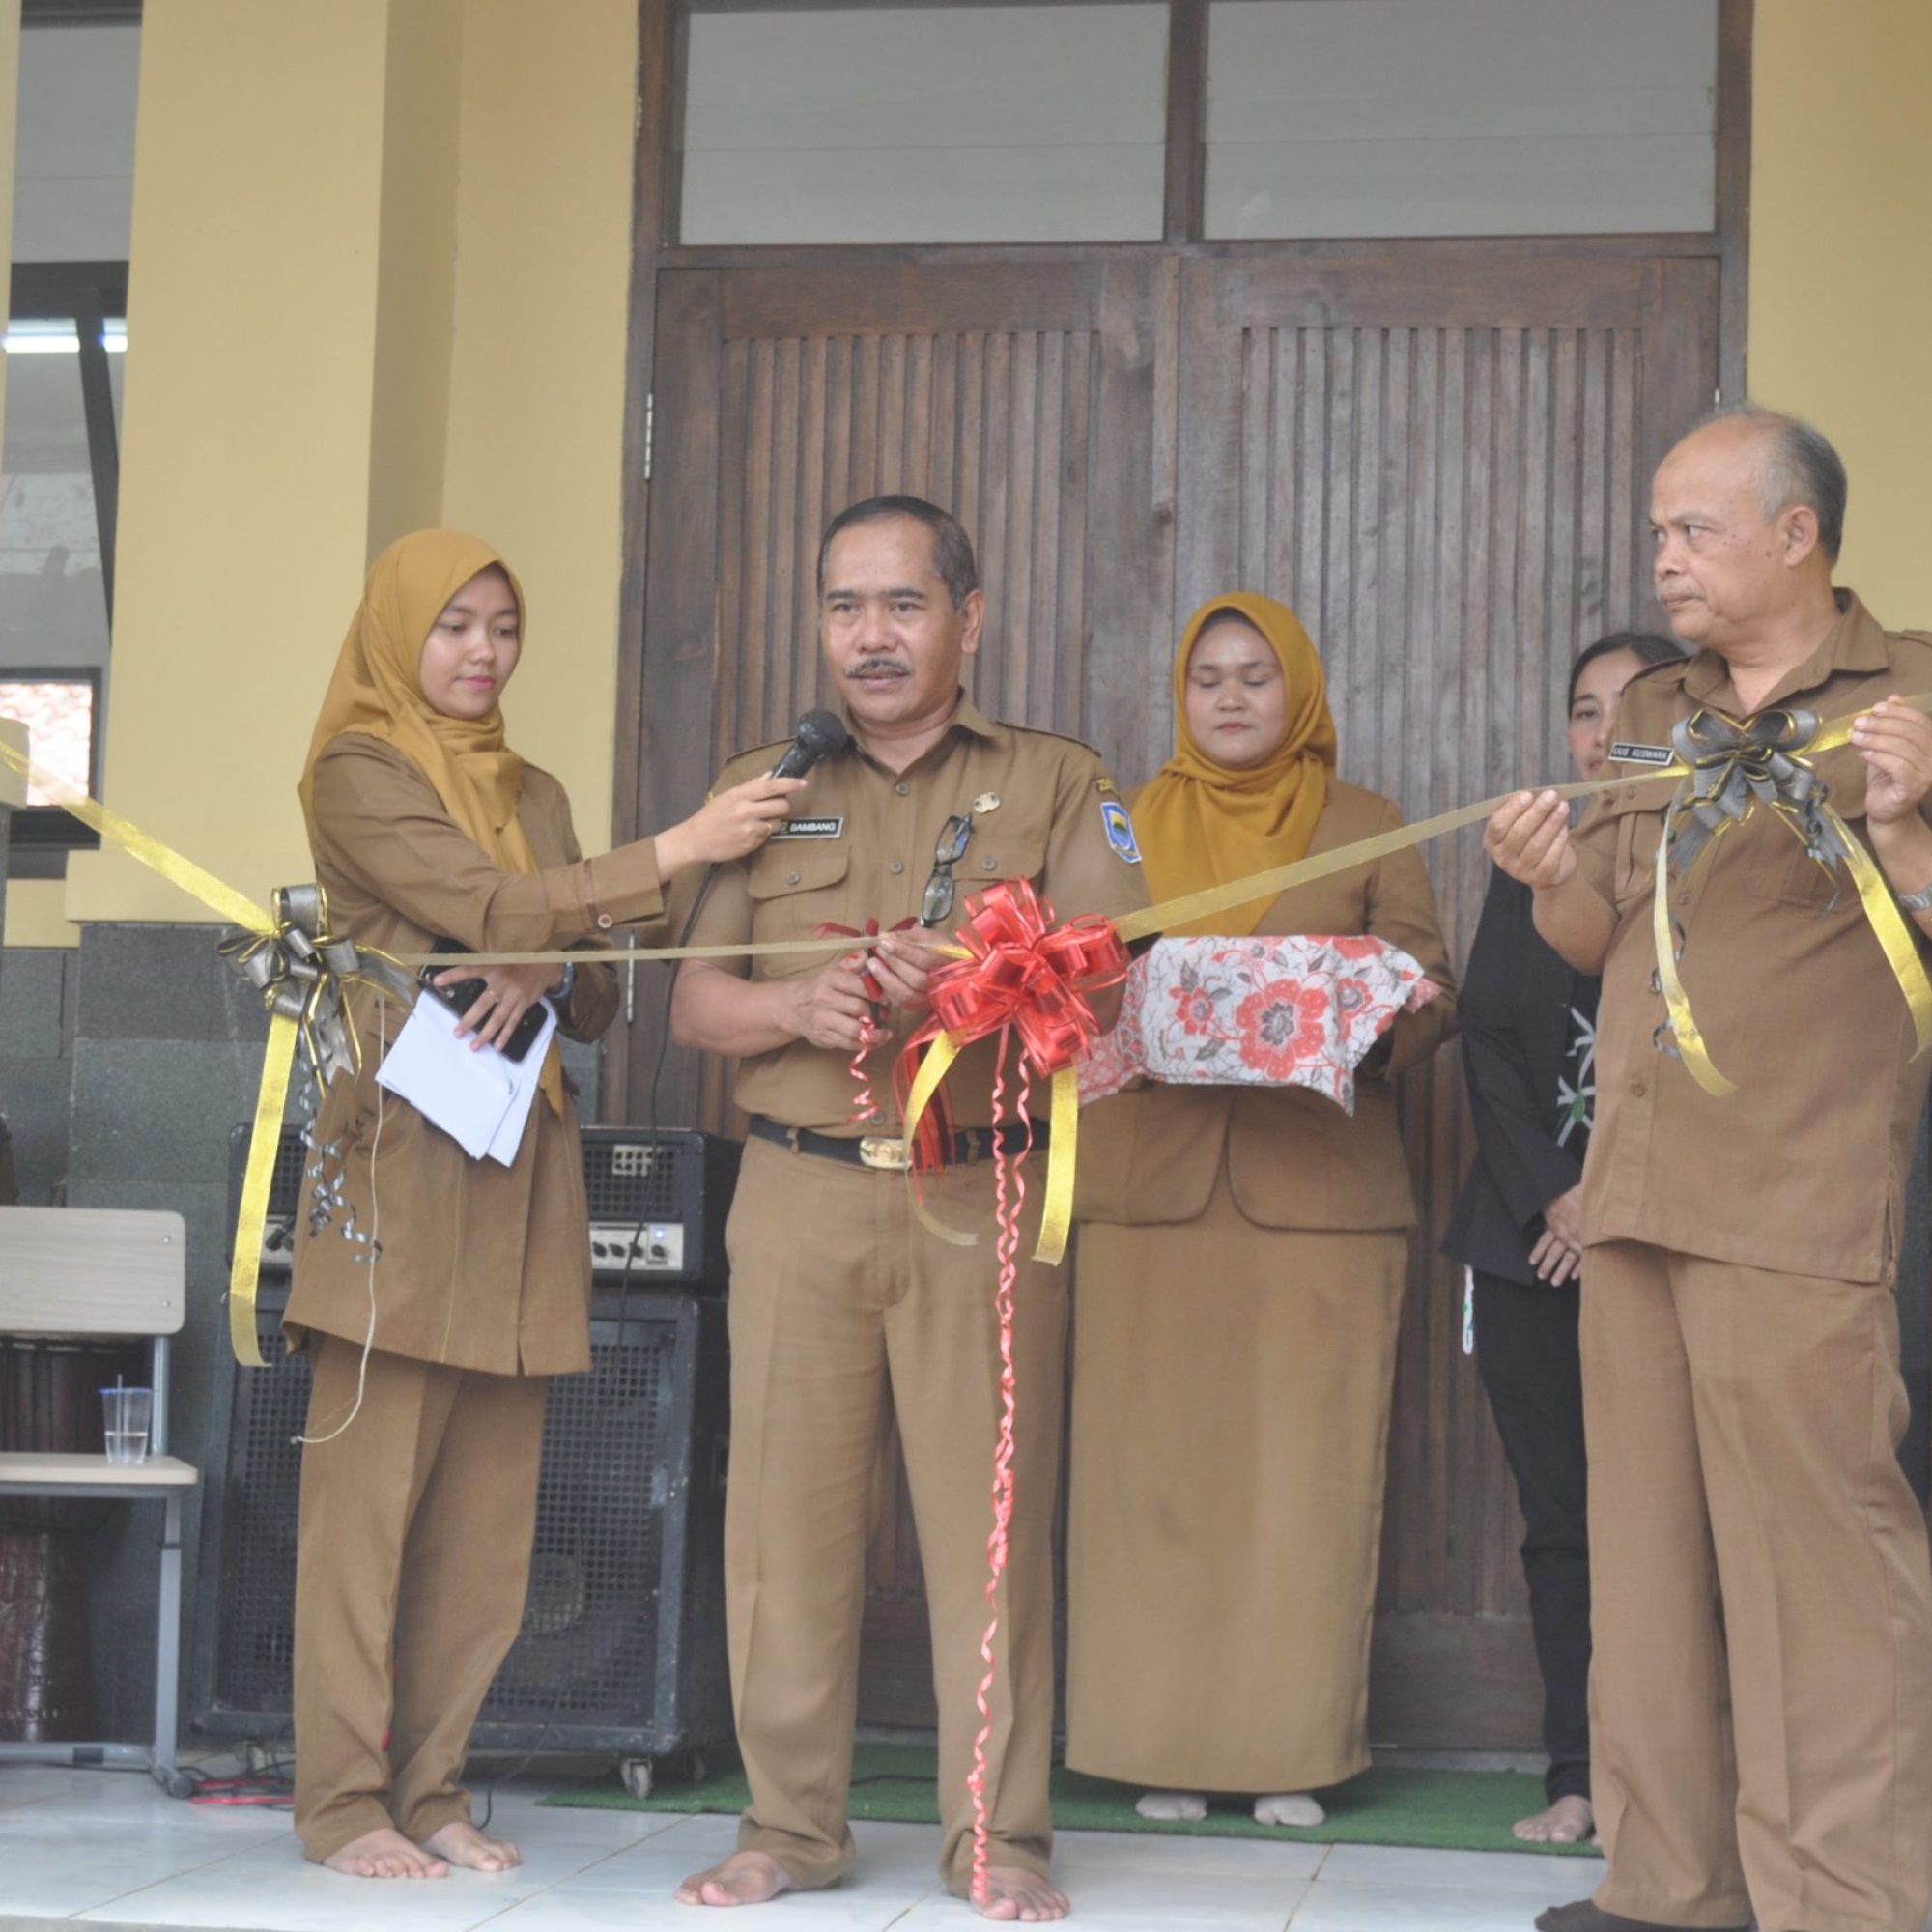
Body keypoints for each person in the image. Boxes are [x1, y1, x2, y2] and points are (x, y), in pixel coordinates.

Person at [290, 529, 800, 1880]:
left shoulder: (542, 788)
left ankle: (435, 1785)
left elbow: (598, 988)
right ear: (404, 632)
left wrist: (543, 968)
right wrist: (674, 850)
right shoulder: (357, 770)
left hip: (519, 1171)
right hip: (398, 1165)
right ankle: (342, 1805)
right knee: (366, 1516)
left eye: (502, 629)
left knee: (488, 1517)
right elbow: (485, 903)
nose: (480, 652)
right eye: (453, 625)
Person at [668, 494, 1149, 1921]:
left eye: (901, 605)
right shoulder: (762, 785)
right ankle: (788, 1830)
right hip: (799, 1199)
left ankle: (995, 1844)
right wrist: (793, 1005)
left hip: (978, 1199)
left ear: (968, 619)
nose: (870, 638)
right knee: (782, 1535)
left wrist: (968, 981)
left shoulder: (1056, 781)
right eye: (843, 608)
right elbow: (694, 1000)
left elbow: (1111, 978)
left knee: (989, 1534)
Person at [1487, 408, 1932, 1932]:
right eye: (1662, 528)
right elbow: (1599, 937)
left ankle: (1846, 1900)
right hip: (1640, 1192)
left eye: (1694, 529)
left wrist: (1909, 828)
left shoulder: (1912, 694)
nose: (1662, 556)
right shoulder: (1661, 712)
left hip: (1798, 1201)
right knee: (1650, 1571)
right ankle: (1668, 1887)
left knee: (1820, 1568)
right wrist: (1551, 880)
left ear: (1795, 536)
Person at [1064, 592, 1458, 1828]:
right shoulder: (1117, 825)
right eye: (1206, 679)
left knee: (1304, 1482)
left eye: (1254, 676)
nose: (1229, 699)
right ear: (1177, 698)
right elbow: (1064, 973)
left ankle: (1291, 1749)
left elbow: (1427, 982)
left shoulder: (1367, 822)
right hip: (1149, 1195)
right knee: (1153, 1479)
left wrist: (1350, 1021)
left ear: (1297, 690)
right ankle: (1155, 1742)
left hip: (1318, 1201)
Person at [1442, 629, 1682, 1847]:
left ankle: (1679, 1788)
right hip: (1530, 1242)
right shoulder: (1528, 853)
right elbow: (1483, 1034)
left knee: (1674, 1518)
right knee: (1563, 1517)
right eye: (1582, 709)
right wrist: (1554, 1197)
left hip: (1670, 1238)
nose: (1598, 734)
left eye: (1627, 708)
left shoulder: (1711, 850)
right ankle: (1577, 1775)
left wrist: (1620, 1205)